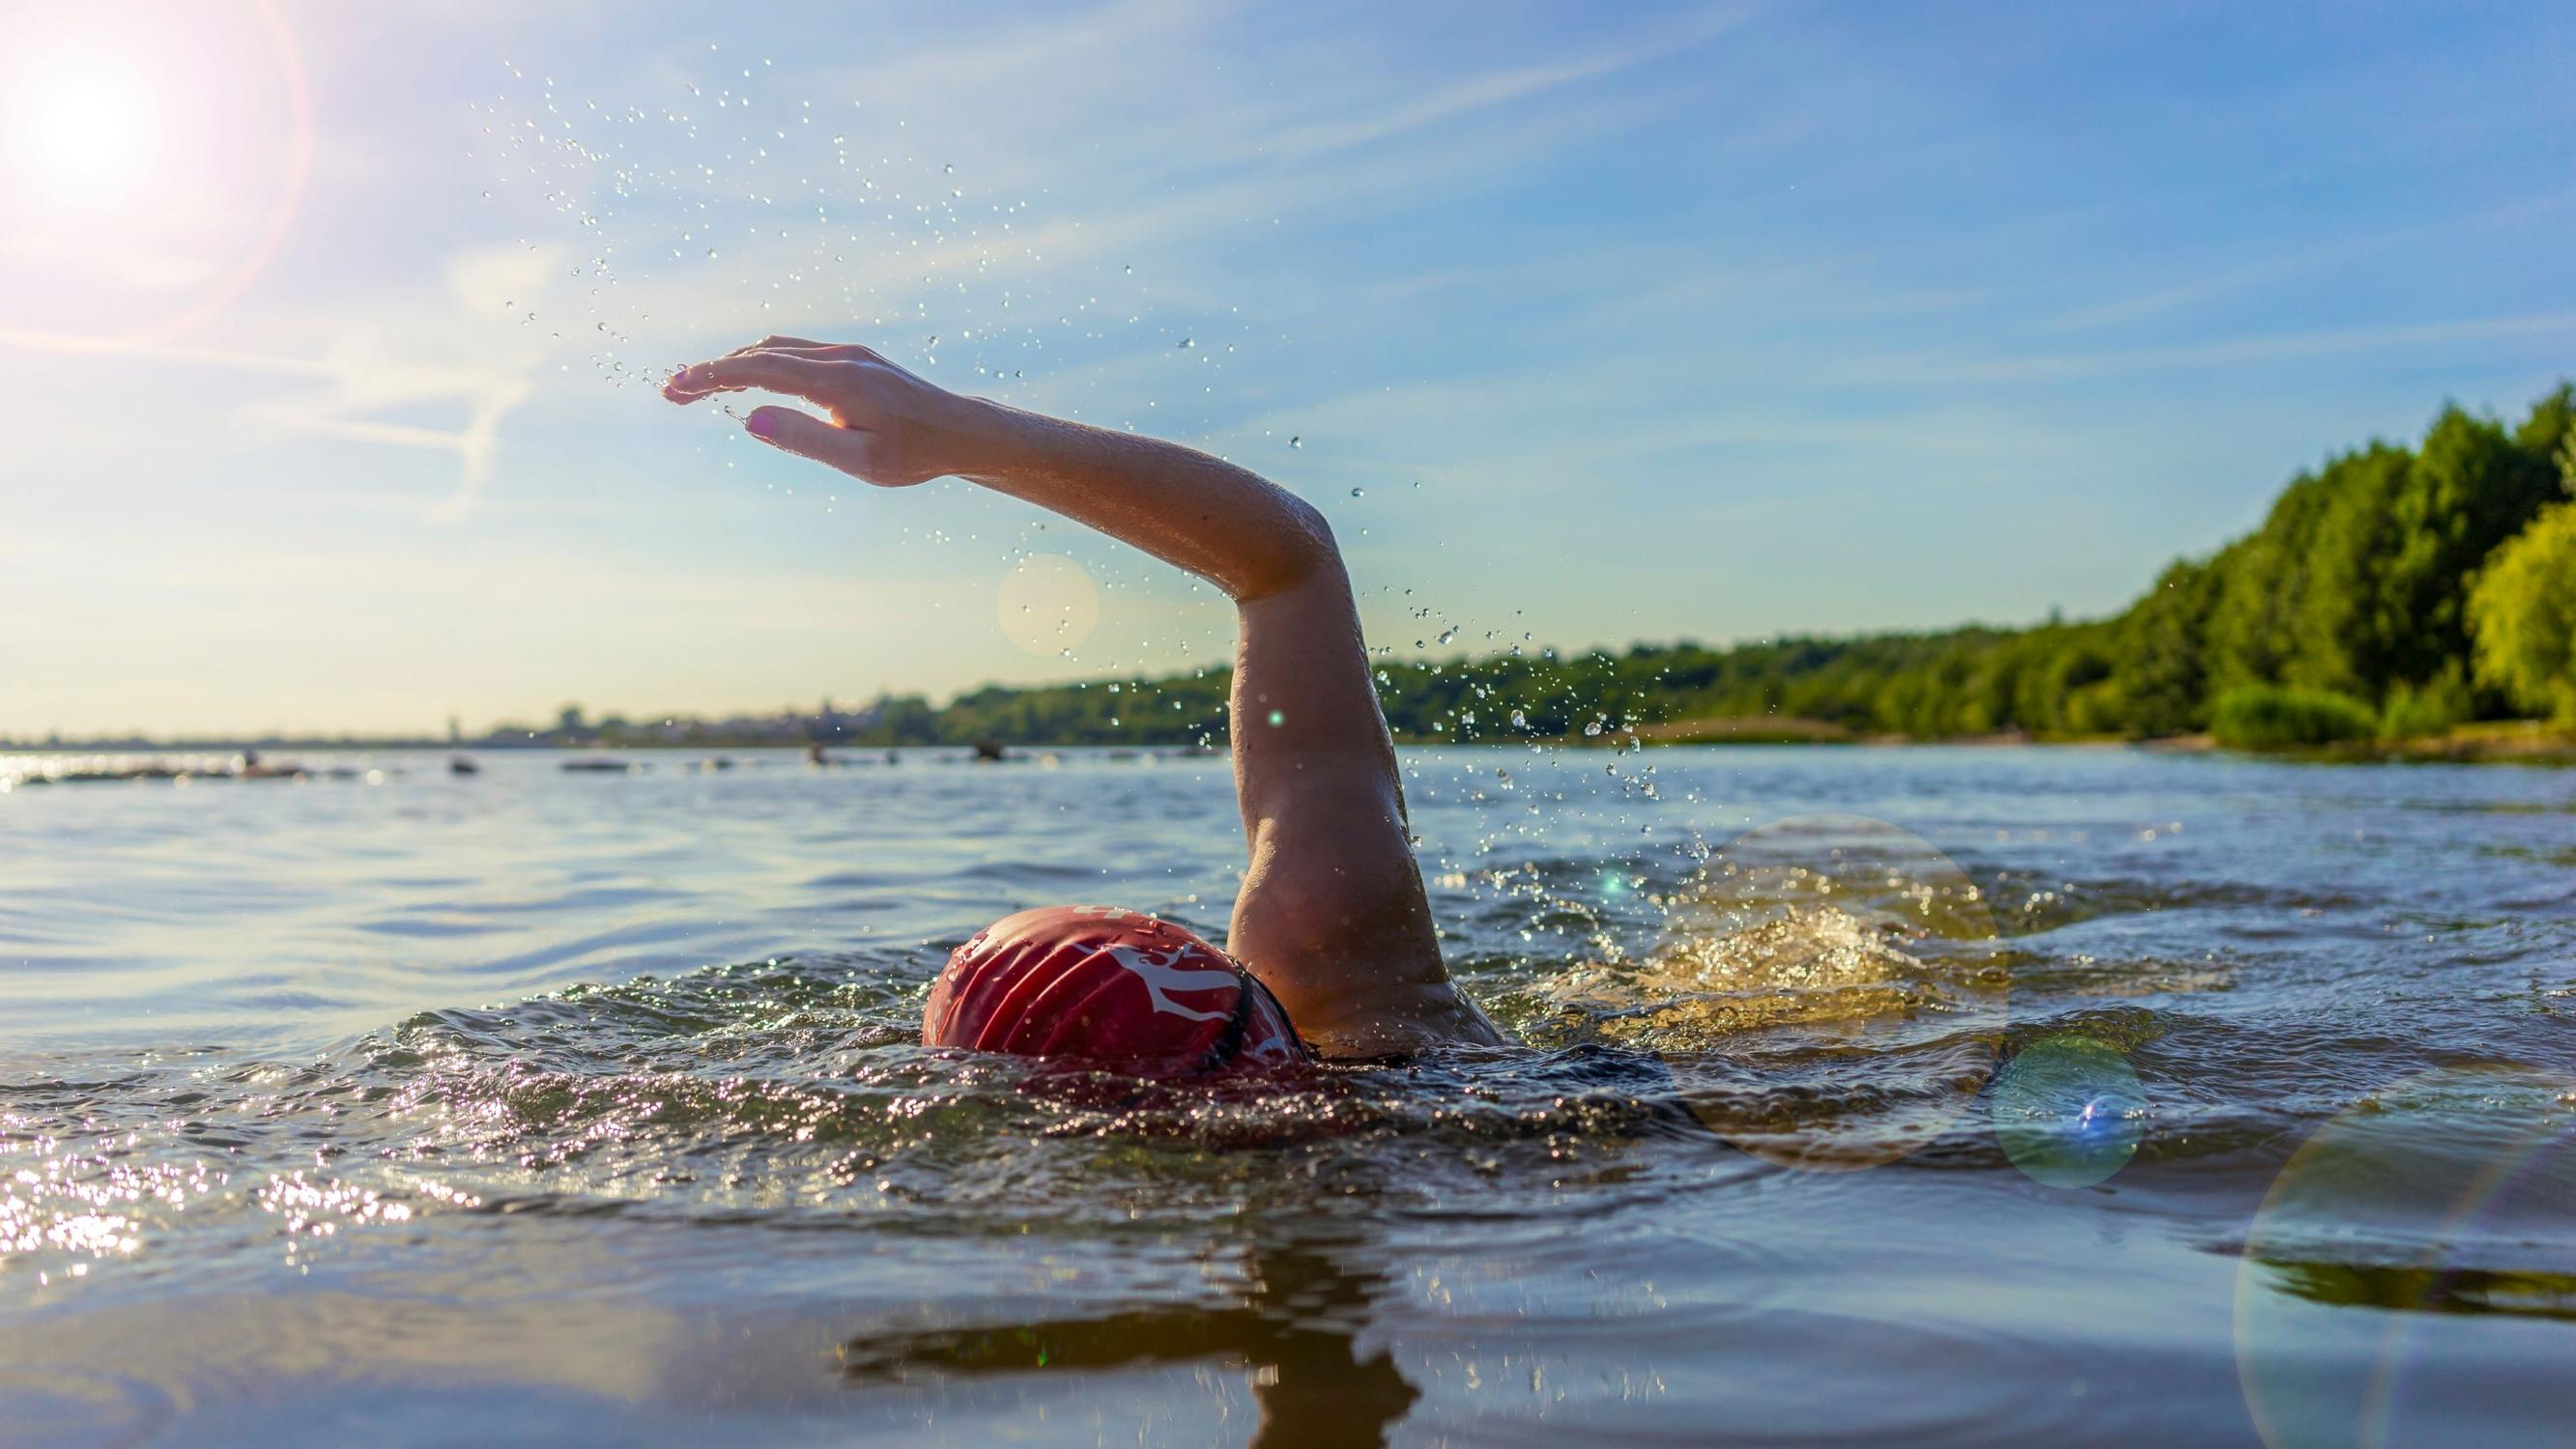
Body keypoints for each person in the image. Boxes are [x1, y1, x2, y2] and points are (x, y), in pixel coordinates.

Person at [665, 339, 1504, 1064]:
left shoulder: (1355, 998)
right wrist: (964, 433)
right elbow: (1292, 562)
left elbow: (1291, 570)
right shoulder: (1356, 989)